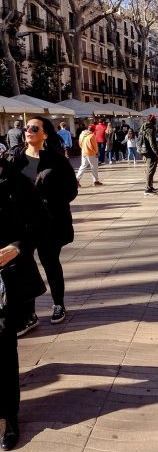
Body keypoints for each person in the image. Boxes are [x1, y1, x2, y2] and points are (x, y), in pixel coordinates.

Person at [7, 116, 78, 332]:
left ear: (45, 134)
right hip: (20, 222)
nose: (28, 130)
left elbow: (71, 191)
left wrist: (47, 193)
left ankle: (58, 304)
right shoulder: (13, 157)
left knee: (50, 262)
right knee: (22, 266)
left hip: (49, 221)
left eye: (34, 128)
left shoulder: (57, 160)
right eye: (27, 127)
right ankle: (29, 314)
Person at [0, 156, 48, 450]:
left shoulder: (16, 182)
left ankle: (9, 416)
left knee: (3, 346)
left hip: (6, 277)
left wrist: (17, 248)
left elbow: (42, 222)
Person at [138, 114, 158, 195]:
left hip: (145, 150)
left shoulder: (144, 127)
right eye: (155, 119)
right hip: (150, 152)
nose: (156, 121)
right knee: (150, 170)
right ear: (152, 120)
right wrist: (157, 153)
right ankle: (147, 188)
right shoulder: (150, 129)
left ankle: (150, 186)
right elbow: (152, 143)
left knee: (150, 169)